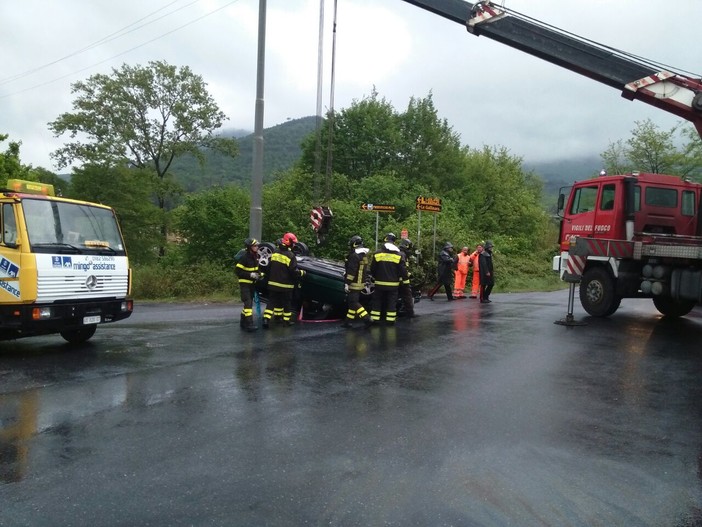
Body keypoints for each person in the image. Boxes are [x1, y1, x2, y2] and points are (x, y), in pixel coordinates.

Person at [262, 232, 305, 327]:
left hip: (273, 284)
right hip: (286, 285)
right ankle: (286, 321)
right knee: (287, 303)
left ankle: (266, 319)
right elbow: (293, 271)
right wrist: (301, 273)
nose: (294, 244)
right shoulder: (290, 255)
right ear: (289, 242)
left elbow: (269, 267)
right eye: (293, 242)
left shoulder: (275, 252)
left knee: (271, 302)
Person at [370, 233, 407, 325]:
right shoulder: (399, 255)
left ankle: (375, 319)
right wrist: (405, 281)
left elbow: (372, 268)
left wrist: (375, 277)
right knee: (391, 302)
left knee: (377, 301)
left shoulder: (377, 253)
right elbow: (403, 270)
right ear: (394, 242)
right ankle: (390, 320)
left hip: (379, 283)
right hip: (393, 285)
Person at [342, 235, 372, 328]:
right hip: (361, 282)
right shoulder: (363, 255)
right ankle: (348, 321)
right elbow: (364, 269)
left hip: (354, 283)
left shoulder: (354, 256)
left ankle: (367, 318)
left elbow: (352, 271)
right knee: (352, 303)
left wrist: (347, 282)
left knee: (354, 302)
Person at [235, 237, 261, 332]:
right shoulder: (244, 257)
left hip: (252, 284)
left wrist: (260, 274)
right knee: (248, 303)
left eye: (257, 245)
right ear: (250, 247)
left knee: (248, 303)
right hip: (245, 284)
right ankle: (249, 324)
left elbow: (256, 269)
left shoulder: (255, 256)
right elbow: (238, 271)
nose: (257, 247)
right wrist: (250, 275)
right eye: (255, 246)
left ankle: (243, 320)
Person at [398, 238, 417, 318]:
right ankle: (410, 313)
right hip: (402, 280)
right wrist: (407, 275)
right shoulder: (402, 254)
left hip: (397, 279)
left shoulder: (400, 253)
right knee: (407, 295)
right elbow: (402, 268)